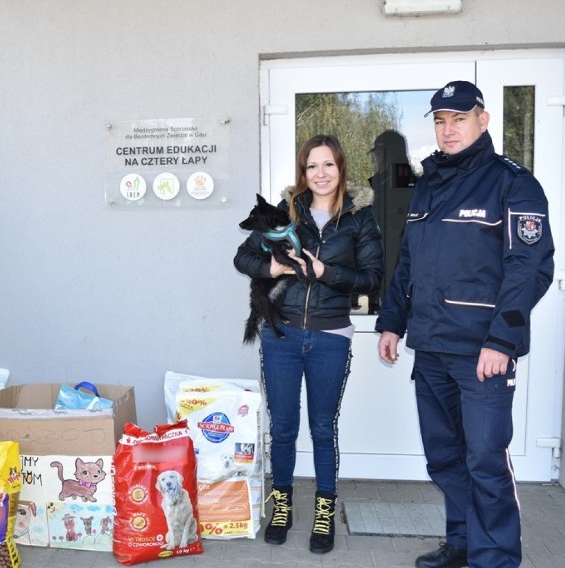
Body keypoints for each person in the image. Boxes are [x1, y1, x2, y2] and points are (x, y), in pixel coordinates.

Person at [376, 81, 555, 568]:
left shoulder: (513, 183)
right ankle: (462, 545)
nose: (448, 129)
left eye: (458, 118)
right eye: (439, 120)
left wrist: (503, 339)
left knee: (486, 462)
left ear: (483, 119)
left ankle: (494, 558)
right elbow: (407, 263)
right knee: (445, 458)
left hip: (483, 356)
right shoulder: (429, 183)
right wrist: (392, 322)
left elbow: (531, 269)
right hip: (431, 348)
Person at [234, 134, 384, 554]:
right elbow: (242, 258)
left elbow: (373, 278)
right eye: (311, 166)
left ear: (341, 169)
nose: (320, 174)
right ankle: (281, 505)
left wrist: (327, 272)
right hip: (280, 335)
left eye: (328, 165)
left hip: (330, 337)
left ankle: (324, 509)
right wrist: (274, 265)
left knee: (322, 428)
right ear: (303, 172)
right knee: (282, 428)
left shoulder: (359, 219)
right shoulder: (287, 211)